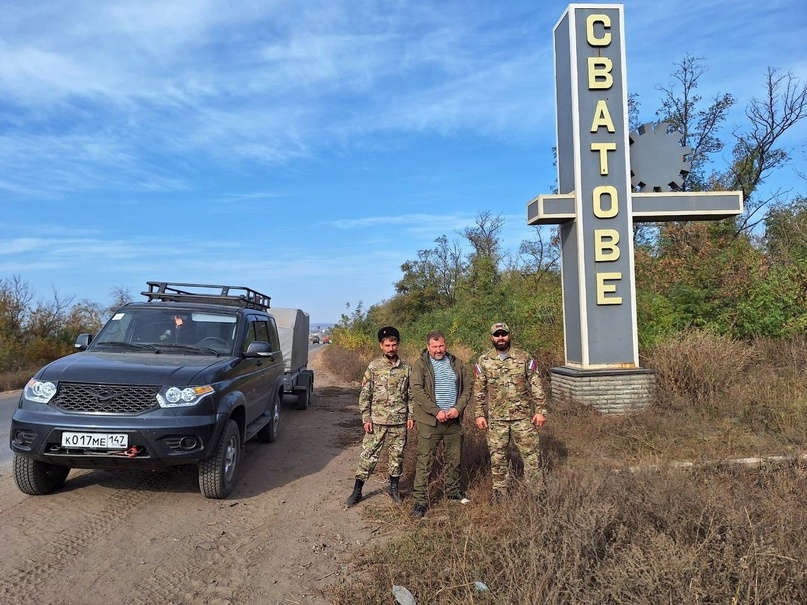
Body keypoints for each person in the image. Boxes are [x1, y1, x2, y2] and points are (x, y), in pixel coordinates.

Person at [473, 322, 547, 500]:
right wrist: (479, 414)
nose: (500, 338)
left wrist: (541, 410)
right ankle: (500, 492)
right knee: (498, 458)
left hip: (522, 418)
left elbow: (536, 384)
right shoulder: (484, 361)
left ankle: (537, 492)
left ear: (509, 335)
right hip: (497, 419)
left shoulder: (524, 358)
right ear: (491, 337)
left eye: (503, 334)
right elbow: (479, 390)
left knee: (531, 456)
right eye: (497, 335)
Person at [345, 326, 413, 506]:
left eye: (394, 344)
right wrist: (366, 418)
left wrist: (411, 416)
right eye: (387, 345)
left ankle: (394, 490)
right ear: (381, 346)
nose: (391, 348)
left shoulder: (406, 368)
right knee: (368, 456)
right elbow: (365, 394)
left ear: (398, 345)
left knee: (396, 457)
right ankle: (357, 491)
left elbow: (411, 395)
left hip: (399, 421)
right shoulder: (374, 367)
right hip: (377, 422)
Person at [409, 330, 473, 518]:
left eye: (441, 346)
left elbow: (468, 386)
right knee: (425, 462)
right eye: (434, 347)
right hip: (430, 422)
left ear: (446, 345)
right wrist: (436, 411)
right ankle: (420, 501)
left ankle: (453, 492)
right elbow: (417, 391)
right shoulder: (420, 365)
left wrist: (458, 408)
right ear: (428, 347)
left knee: (454, 459)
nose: (438, 350)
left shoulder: (456, 363)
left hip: (453, 421)